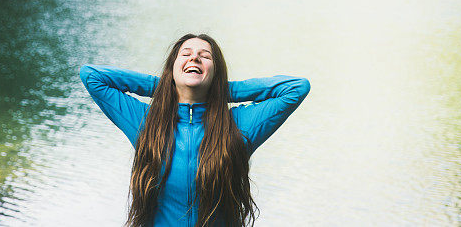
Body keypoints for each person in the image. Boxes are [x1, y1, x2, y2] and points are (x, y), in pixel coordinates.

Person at [79, 33, 310, 227]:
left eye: (205, 56)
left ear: (215, 72)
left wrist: (223, 89)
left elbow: (296, 88)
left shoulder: (239, 125)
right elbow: (92, 75)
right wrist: (165, 86)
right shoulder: (147, 122)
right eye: (186, 54)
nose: (195, 58)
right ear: (172, 69)